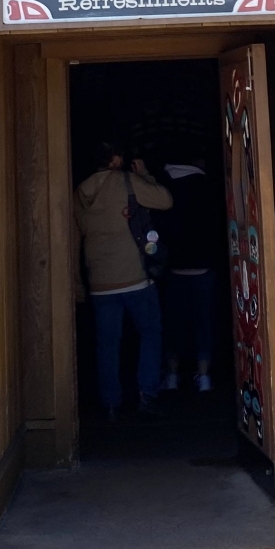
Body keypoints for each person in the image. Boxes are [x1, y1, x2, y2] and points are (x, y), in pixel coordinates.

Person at [75, 143, 172, 417]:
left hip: (99, 282)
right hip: (135, 277)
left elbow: (73, 239)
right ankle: (146, 392)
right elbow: (165, 200)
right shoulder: (127, 181)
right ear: (116, 158)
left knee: (107, 344)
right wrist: (145, 175)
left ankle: (110, 403)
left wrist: (77, 282)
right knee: (150, 332)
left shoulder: (79, 192)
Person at [159, 157, 221, 393]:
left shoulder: (166, 185)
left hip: (175, 268)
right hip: (204, 267)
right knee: (204, 324)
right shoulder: (209, 187)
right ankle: (203, 378)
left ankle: (172, 376)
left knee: (173, 325)